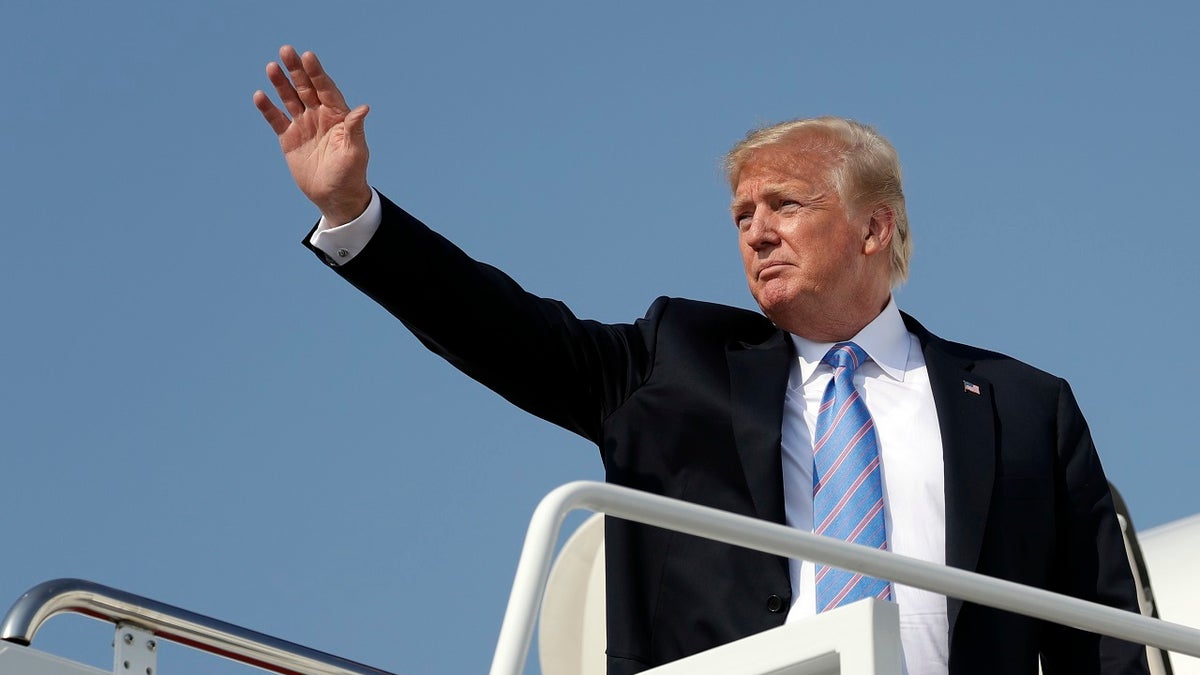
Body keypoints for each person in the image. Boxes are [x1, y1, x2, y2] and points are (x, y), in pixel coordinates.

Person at [254, 46, 1149, 675]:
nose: (755, 230)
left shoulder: (1026, 406)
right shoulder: (675, 360)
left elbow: (1103, 636)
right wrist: (357, 210)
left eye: (785, 204)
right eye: (741, 215)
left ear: (874, 226)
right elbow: (502, 328)